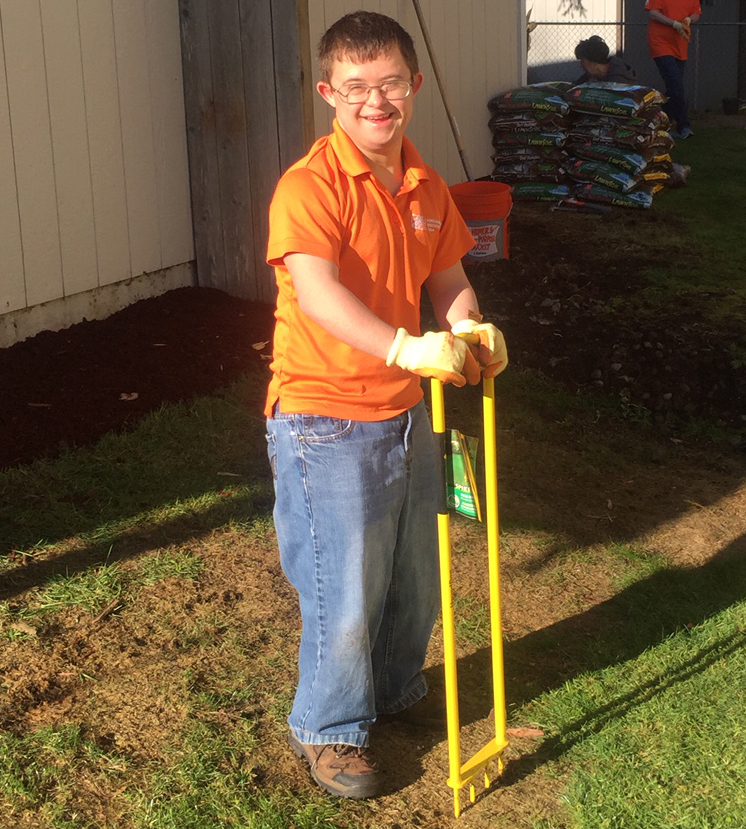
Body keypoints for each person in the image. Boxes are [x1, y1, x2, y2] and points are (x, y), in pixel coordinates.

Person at [263, 10, 508, 801]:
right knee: (345, 582)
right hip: (325, 416)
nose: (377, 102)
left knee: (412, 571)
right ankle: (330, 727)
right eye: (358, 88)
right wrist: (405, 347)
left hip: (411, 412)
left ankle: (393, 691)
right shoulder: (310, 186)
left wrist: (470, 330)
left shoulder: (427, 185)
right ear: (331, 93)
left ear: (415, 86)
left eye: (391, 84)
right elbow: (318, 295)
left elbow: (449, 282)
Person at [646, 0, 702, 138]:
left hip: (680, 45)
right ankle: (683, 125)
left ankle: (662, 123)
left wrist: (688, 20)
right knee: (676, 85)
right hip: (660, 44)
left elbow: (696, 13)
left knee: (674, 89)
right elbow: (653, 13)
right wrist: (673, 23)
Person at [573, 35, 637, 85]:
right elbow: (574, 87)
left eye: (583, 61)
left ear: (595, 63)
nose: (581, 65)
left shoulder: (618, 82)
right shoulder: (590, 75)